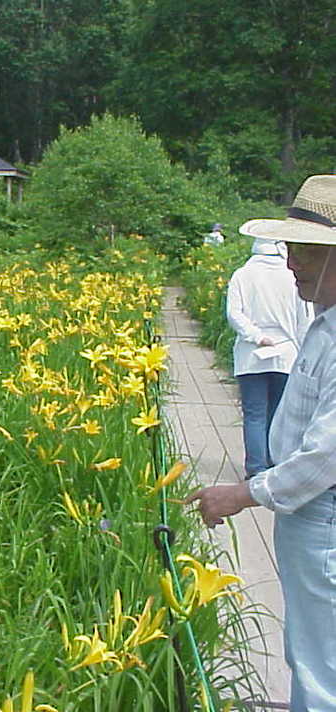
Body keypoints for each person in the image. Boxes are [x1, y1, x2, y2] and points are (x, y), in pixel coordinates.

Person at [187, 174, 336, 711]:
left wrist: (243, 493)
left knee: (321, 669)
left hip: (325, 519)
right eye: (290, 247)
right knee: (310, 650)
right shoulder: (324, 320)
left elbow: (326, 455)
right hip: (312, 516)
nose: (291, 262)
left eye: (306, 251)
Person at [226, 237, 311, 478]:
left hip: (250, 355)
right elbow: (303, 320)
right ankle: (273, 466)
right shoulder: (291, 275)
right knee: (279, 414)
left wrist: (256, 335)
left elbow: (234, 314)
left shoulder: (242, 274)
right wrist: (304, 353)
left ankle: (255, 469)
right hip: (287, 354)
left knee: (254, 415)